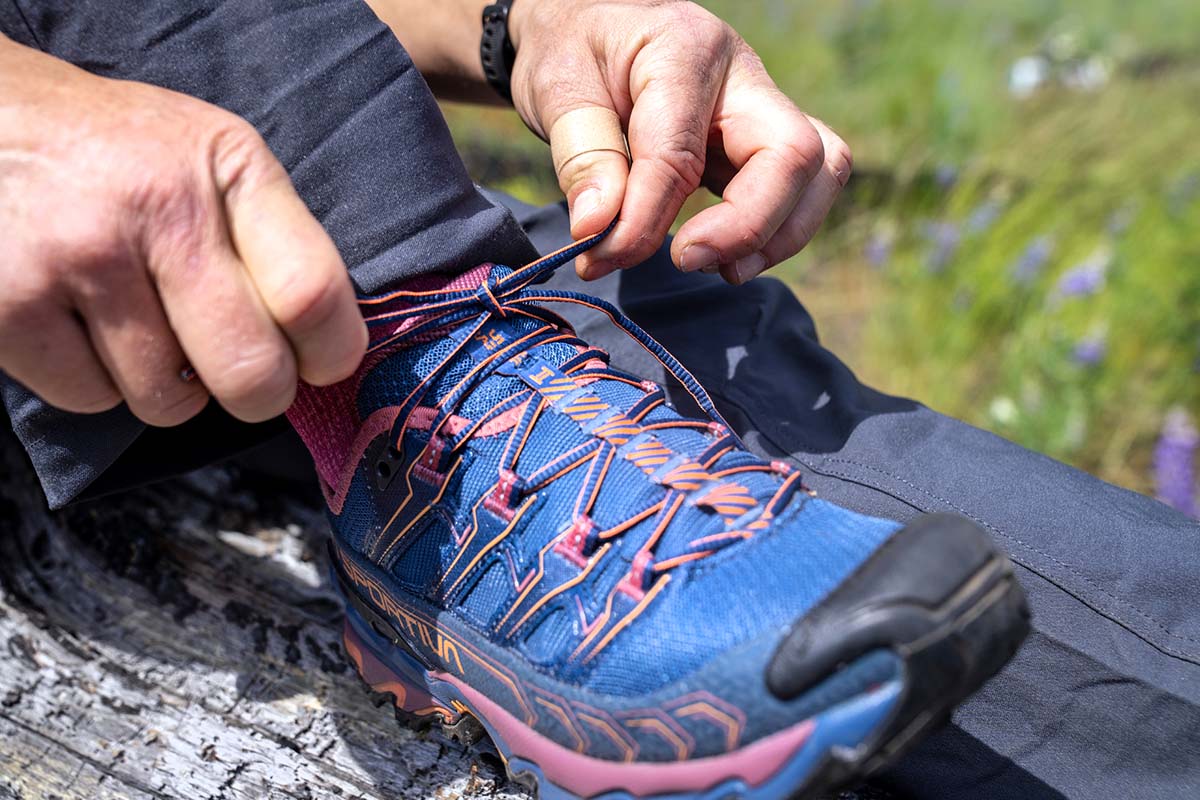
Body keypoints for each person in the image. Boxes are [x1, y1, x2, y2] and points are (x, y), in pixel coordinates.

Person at [0, 2, 1195, 798]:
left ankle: (430, 395)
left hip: (283, 233)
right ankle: (420, 447)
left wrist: (521, 24)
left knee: (705, 348)